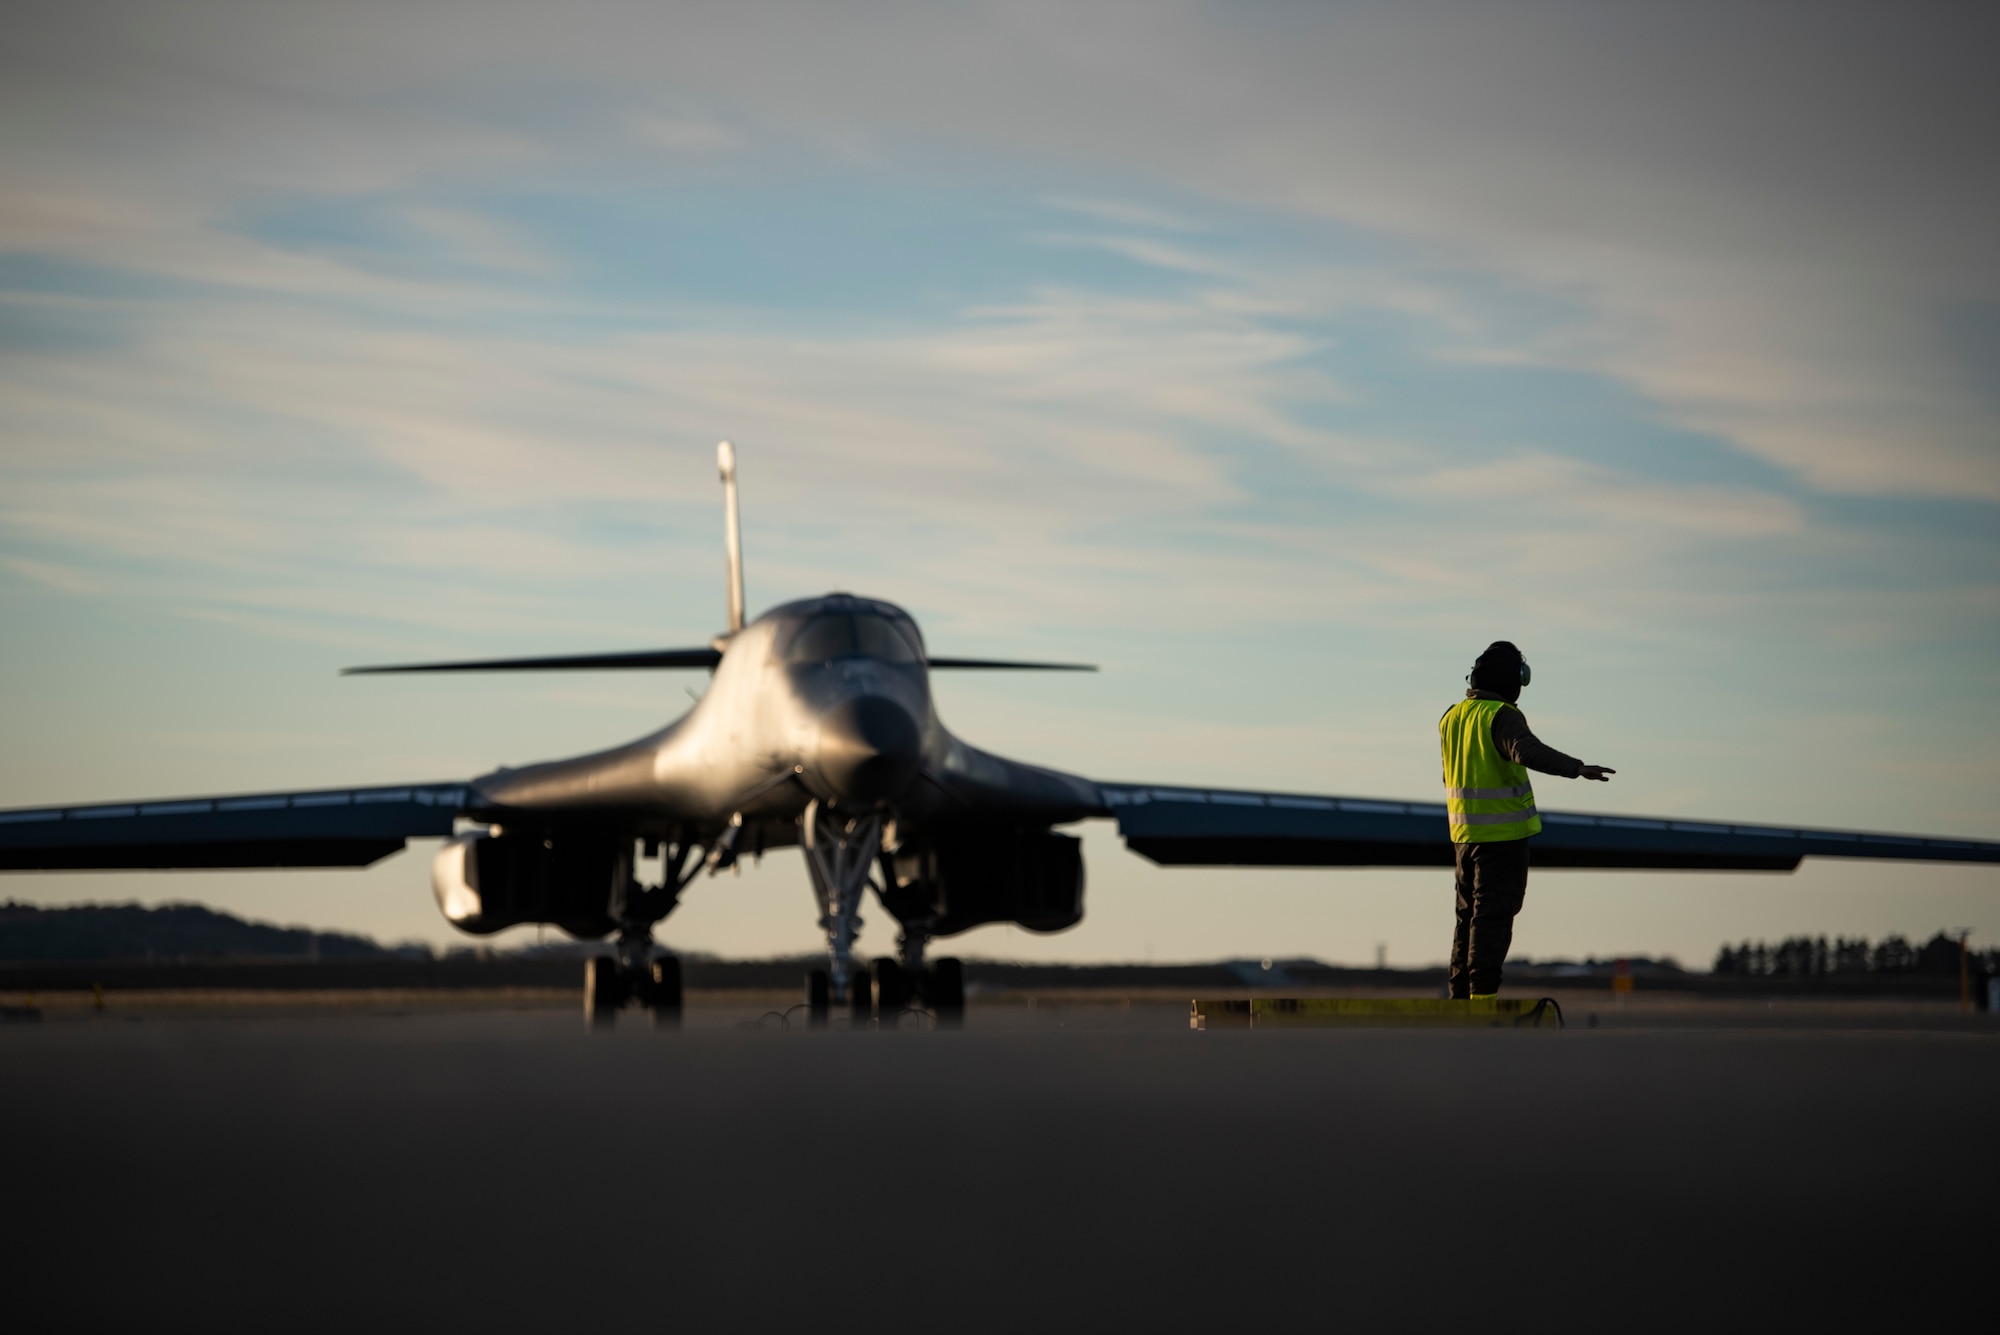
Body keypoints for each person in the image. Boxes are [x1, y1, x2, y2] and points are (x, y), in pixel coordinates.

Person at [1440, 641, 1614, 999]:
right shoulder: (1500, 714)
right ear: (1514, 679)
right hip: (1501, 838)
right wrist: (1576, 768)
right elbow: (1525, 749)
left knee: (1467, 919)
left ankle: (1458, 999)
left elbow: (1450, 776)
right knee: (1493, 917)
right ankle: (1482, 998)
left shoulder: (1452, 716)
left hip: (1463, 836)